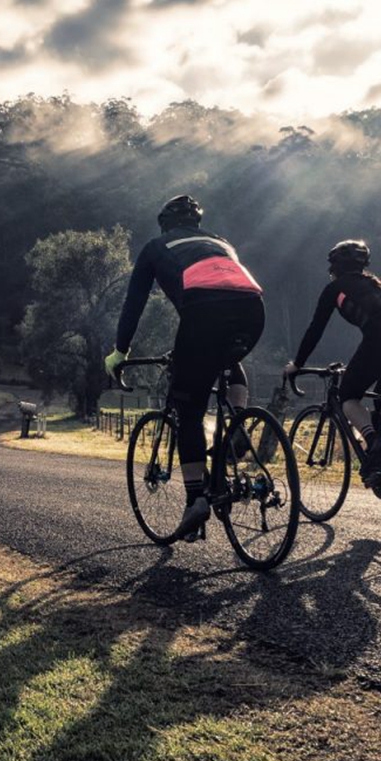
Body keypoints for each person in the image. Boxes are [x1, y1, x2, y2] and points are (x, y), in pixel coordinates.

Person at [104, 194, 265, 541]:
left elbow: (134, 303)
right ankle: (237, 423)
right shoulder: (219, 240)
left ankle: (195, 498)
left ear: (165, 224)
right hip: (252, 309)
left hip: (204, 314)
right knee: (226, 360)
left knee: (188, 410)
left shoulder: (155, 247)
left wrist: (120, 351)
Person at [283, 239, 381, 484]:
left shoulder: (336, 288)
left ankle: (373, 443)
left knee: (348, 395)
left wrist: (297, 363)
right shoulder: (379, 286)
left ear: (334, 267)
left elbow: (315, 329)